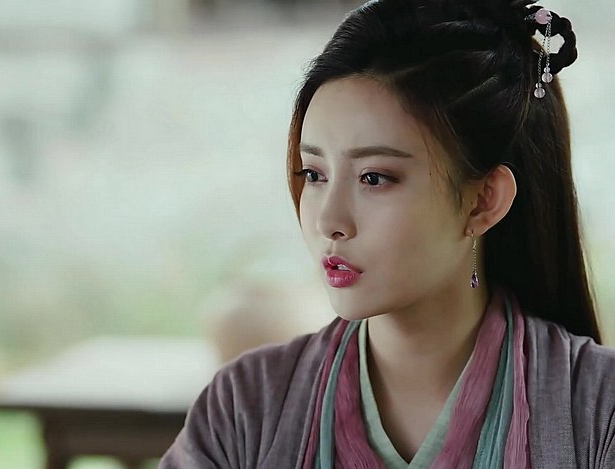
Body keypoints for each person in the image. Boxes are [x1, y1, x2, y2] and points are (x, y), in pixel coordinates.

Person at [159, 0, 615, 467]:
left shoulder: (601, 413)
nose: (329, 220)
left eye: (373, 178)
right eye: (314, 174)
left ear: (483, 200)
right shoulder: (243, 409)